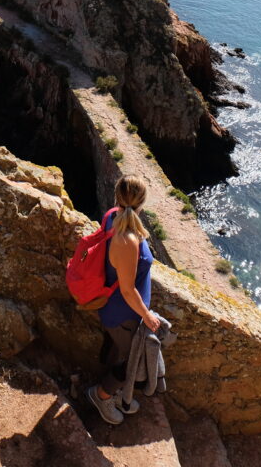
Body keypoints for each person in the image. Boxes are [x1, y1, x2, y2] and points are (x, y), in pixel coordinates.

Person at [87, 175, 160, 425]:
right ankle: (101, 396)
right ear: (142, 203)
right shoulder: (127, 239)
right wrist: (147, 315)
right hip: (123, 313)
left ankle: (112, 391)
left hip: (114, 309)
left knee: (115, 350)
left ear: (117, 196)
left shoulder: (111, 217)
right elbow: (128, 290)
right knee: (129, 360)